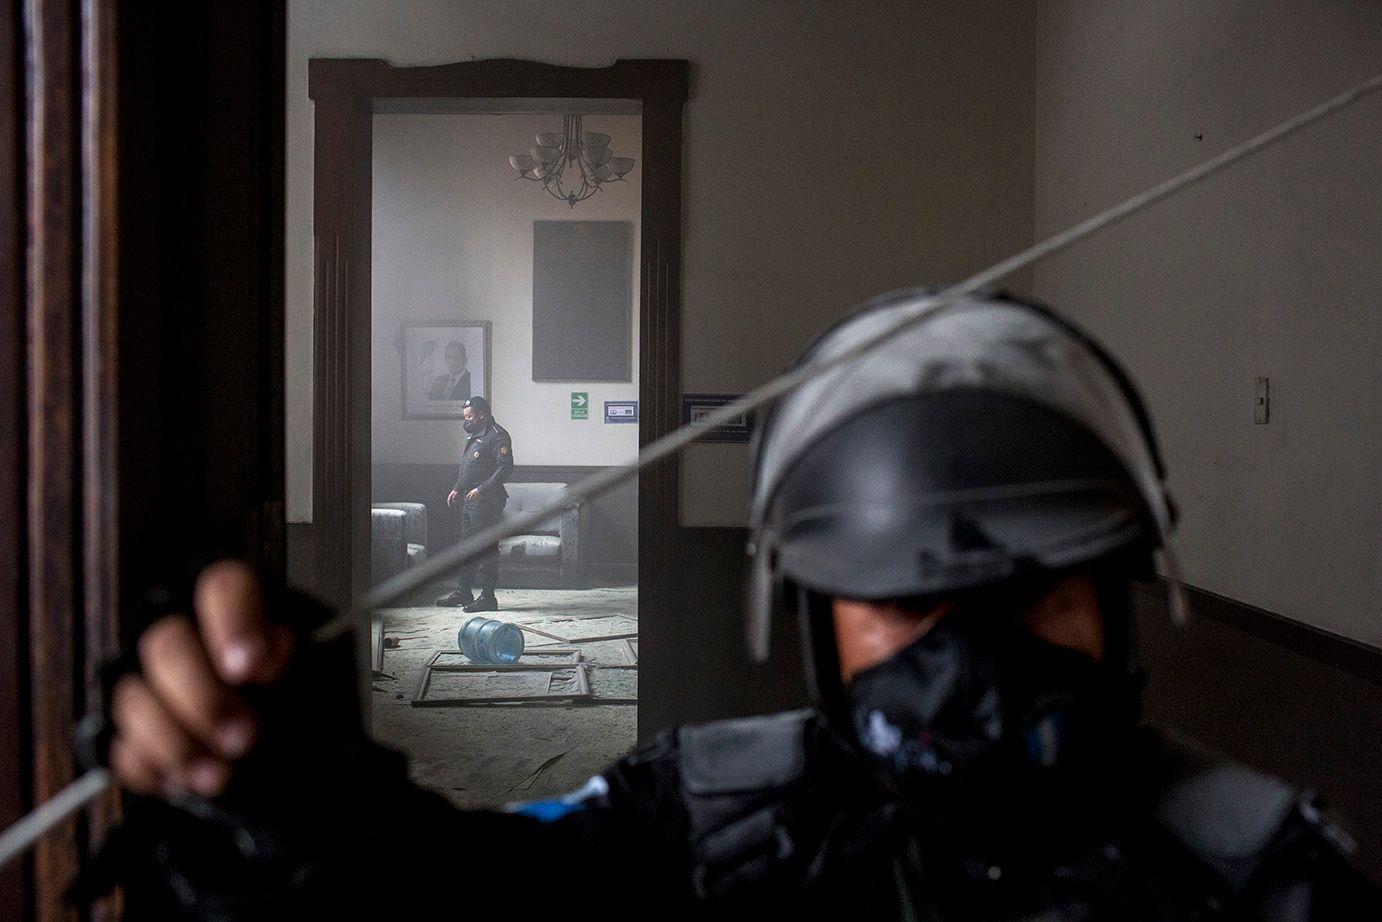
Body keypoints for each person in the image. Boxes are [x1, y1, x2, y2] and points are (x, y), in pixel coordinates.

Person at [99, 291, 1378, 919]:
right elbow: (482, 900)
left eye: (1032, 596)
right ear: (814, 615)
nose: (971, 659)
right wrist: (305, 809)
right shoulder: (706, 815)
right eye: (903, 603)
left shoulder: (1264, 871)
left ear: (1116, 599)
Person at [436, 395, 512, 612]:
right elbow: (470, 467)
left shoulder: (497, 436)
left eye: (469, 417)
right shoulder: (476, 436)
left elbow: (504, 468)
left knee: (486, 548)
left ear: (482, 415)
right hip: (470, 501)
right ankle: (464, 592)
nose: (466, 421)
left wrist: (482, 489)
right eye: (465, 416)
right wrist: (457, 487)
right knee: (466, 547)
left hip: (487, 501)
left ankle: (488, 597)